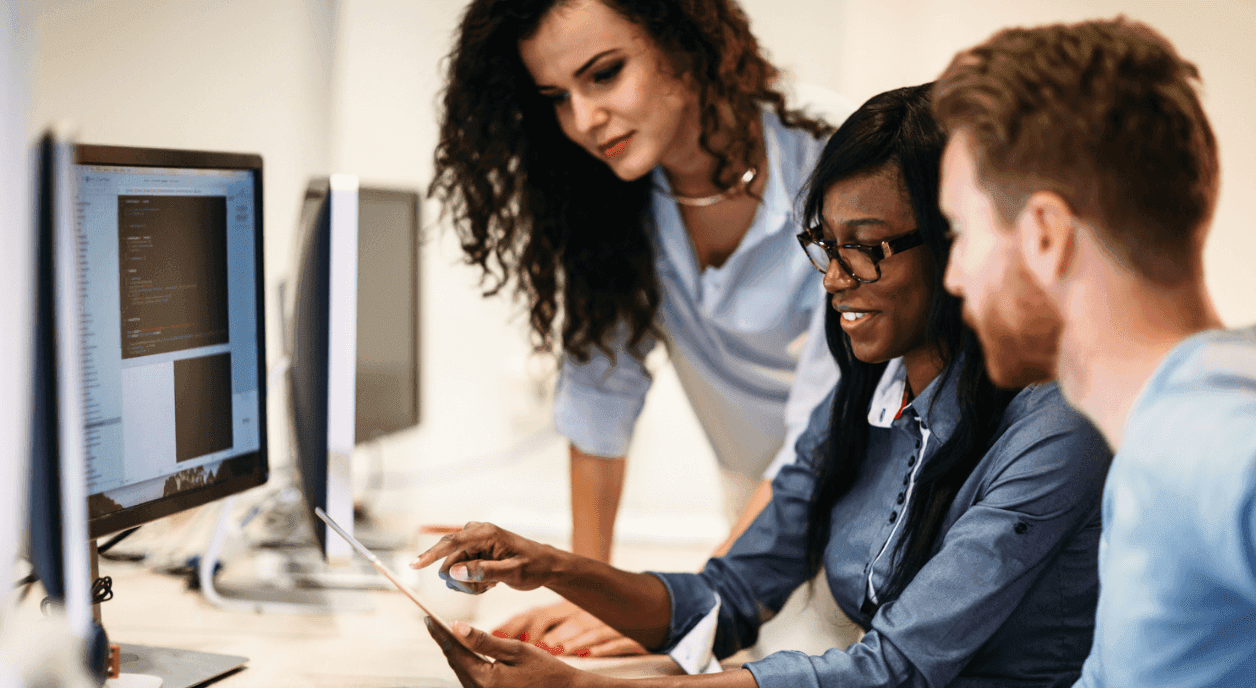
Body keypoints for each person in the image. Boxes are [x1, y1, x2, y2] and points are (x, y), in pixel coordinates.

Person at [414, 84, 1113, 688]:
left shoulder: (1055, 426)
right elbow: (728, 595)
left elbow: (893, 671)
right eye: (827, 245)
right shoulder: (866, 396)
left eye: (865, 247)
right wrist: (548, 566)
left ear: (958, 243)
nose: (834, 278)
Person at [430, 0, 850, 655]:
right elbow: (600, 397)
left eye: (604, 74)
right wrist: (587, 592)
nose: (584, 119)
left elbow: (820, 430)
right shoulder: (615, 196)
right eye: (556, 98)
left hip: (864, 505)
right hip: (749, 505)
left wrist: (681, 608)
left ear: (680, 39)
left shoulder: (834, 153)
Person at [934, 18, 1256, 687]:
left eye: (961, 232)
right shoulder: (1162, 432)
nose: (954, 276)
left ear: (1046, 235)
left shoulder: (1203, 444)